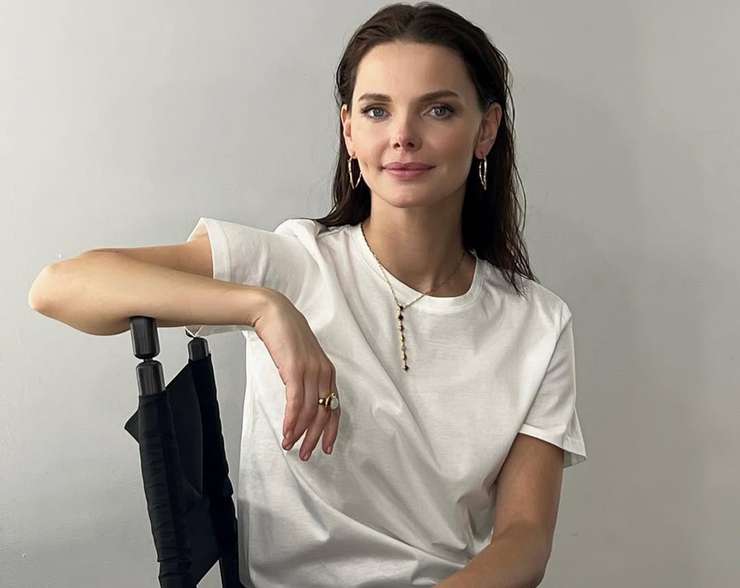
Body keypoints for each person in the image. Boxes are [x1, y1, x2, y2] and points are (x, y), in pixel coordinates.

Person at [29, 3, 587, 587]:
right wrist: (263, 308)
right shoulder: (292, 263)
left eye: (438, 109)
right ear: (350, 131)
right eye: (377, 110)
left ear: (486, 130)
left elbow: (525, 537)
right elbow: (58, 287)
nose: (402, 136)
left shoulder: (537, 323)